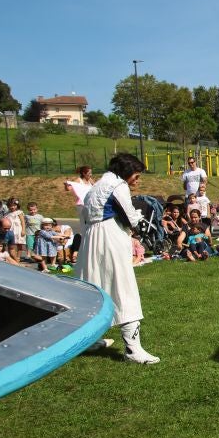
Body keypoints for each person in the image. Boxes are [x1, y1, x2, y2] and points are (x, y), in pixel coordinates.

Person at [76, 153, 159, 364]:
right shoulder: (118, 185)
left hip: (91, 239)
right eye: (136, 176)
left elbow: (84, 217)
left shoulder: (94, 187)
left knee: (93, 286)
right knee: (124, 288)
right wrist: (139, 220)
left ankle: (88, 340)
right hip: (110, 237)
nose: (136, 181)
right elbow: (131, 217)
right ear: (127, 172)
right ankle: (133, 349)